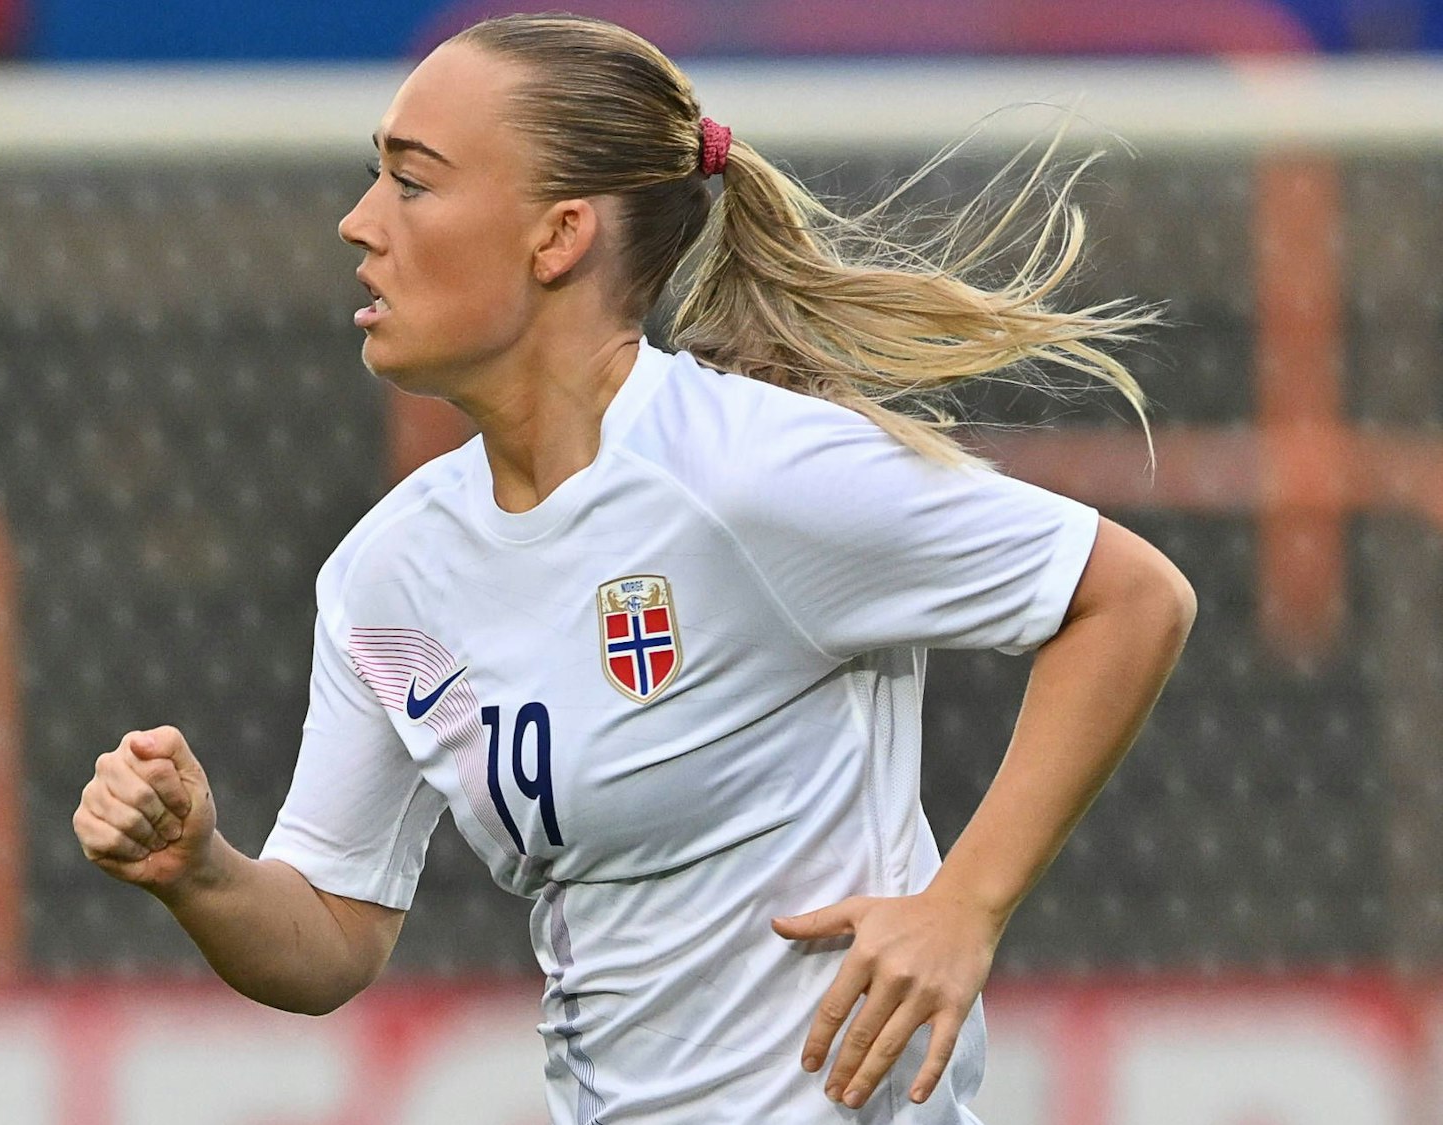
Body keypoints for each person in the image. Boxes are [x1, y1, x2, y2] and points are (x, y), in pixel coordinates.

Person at [74, 13, 1195, 1123]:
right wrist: (201, 868)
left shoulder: (749, 477)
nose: (357, 223)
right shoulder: (389, 575)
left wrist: (964, 907)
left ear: (557, 237)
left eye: (412, 184)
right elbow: (331, 933)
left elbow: (1128, 598)